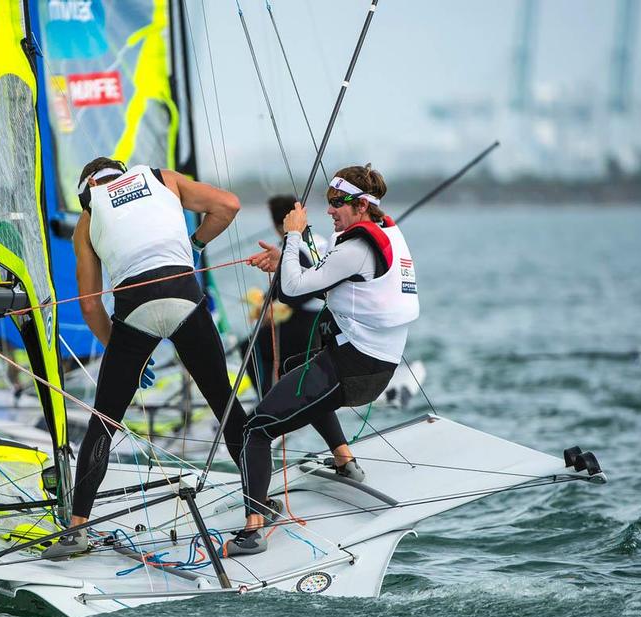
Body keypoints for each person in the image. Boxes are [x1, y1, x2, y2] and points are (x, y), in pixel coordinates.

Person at [45, 157, 272, 557]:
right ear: (123, 169)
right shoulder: (162, 178)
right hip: (185, 296)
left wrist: (120, 344)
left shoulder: (88, 216)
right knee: (225, 404)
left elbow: (90, 306)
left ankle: (76, 530)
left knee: (105, 420)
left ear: (88, 187)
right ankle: (256, 520)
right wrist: (194, 245)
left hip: (134, 312)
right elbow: (229, 206)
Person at [228, 164, 420, 555]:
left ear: (361, 205)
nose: (329, 211)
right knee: (298, 365)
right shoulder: (386, 233)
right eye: (328, 202)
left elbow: (290, 292)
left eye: (336, 203)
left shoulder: (354, 248)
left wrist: (293, 233)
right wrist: (286, 254)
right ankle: (343, 458)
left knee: (255, 430)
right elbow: (320, 275)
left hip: (355, 368)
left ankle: (253, 528)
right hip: (374, 363)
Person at [244, 195, 326, 392]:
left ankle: (266, 405)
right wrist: (266, 302)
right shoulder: (319, 241)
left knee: (251, 349)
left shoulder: (294, 246)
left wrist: (273, 309)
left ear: (278, 224)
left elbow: (299, 286)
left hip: (305, 324)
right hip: (324, 320)